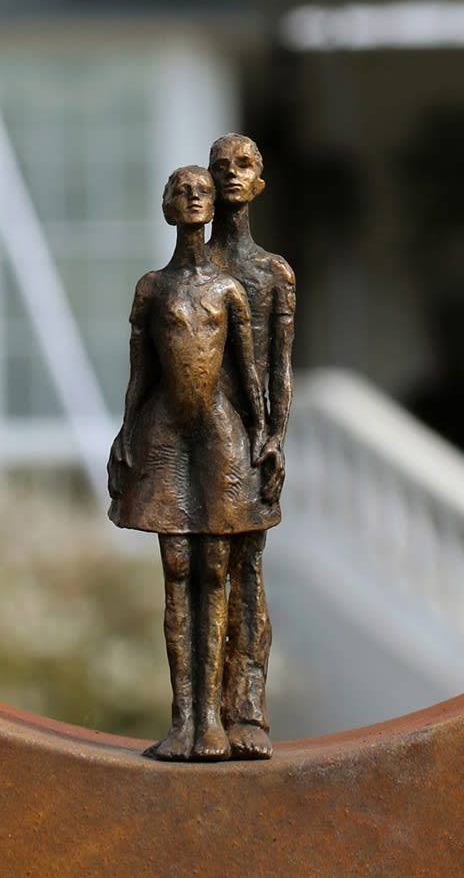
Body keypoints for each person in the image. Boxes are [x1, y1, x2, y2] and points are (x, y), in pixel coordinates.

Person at [107, 165, 270, 761]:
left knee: (216, 568)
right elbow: (141, 374)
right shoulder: (152, 289)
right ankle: (187, 718)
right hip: (166, 434)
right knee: (176, 569)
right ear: (167, 207)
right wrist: (125, 432)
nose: (196, 196)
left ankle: (216, 724)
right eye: (183, 190)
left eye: (203, 191)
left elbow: (247, 374)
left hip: (219, 435)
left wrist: (265, 436)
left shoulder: (228, 290)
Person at [207, 133, 295, 760]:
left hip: (249, 435)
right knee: (197, 571)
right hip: (194, 438)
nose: (232, 175)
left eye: (244, 166)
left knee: (247, 570)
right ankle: (201, 713)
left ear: (259, 183)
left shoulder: (272, 273)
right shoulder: (191, 272)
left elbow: (279, 366)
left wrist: (274, 437)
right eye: (222, 167)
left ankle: (247, 708)